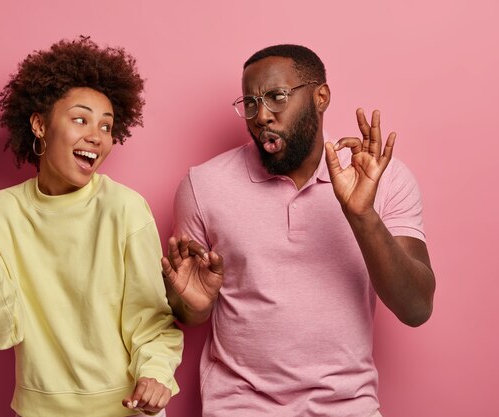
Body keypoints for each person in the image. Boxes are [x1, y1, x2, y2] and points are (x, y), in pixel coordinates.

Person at [161, 44, 435, 417]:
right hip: (240, 407)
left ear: (320, 96)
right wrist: (190, 306)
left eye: (276, 97)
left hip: (348, 406)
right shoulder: (202, 186)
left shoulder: (383, 180)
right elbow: (189, 313)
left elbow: (416, 308)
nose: (261, 116)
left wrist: (362, 214)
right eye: (250, 103)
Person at [0, 36, 183, 417]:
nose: (96, 136)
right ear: (39, 124)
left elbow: (150, 318)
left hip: (127, 408)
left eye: (106, 126)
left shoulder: (125, 208)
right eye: (80, 119)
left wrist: (155, 374)